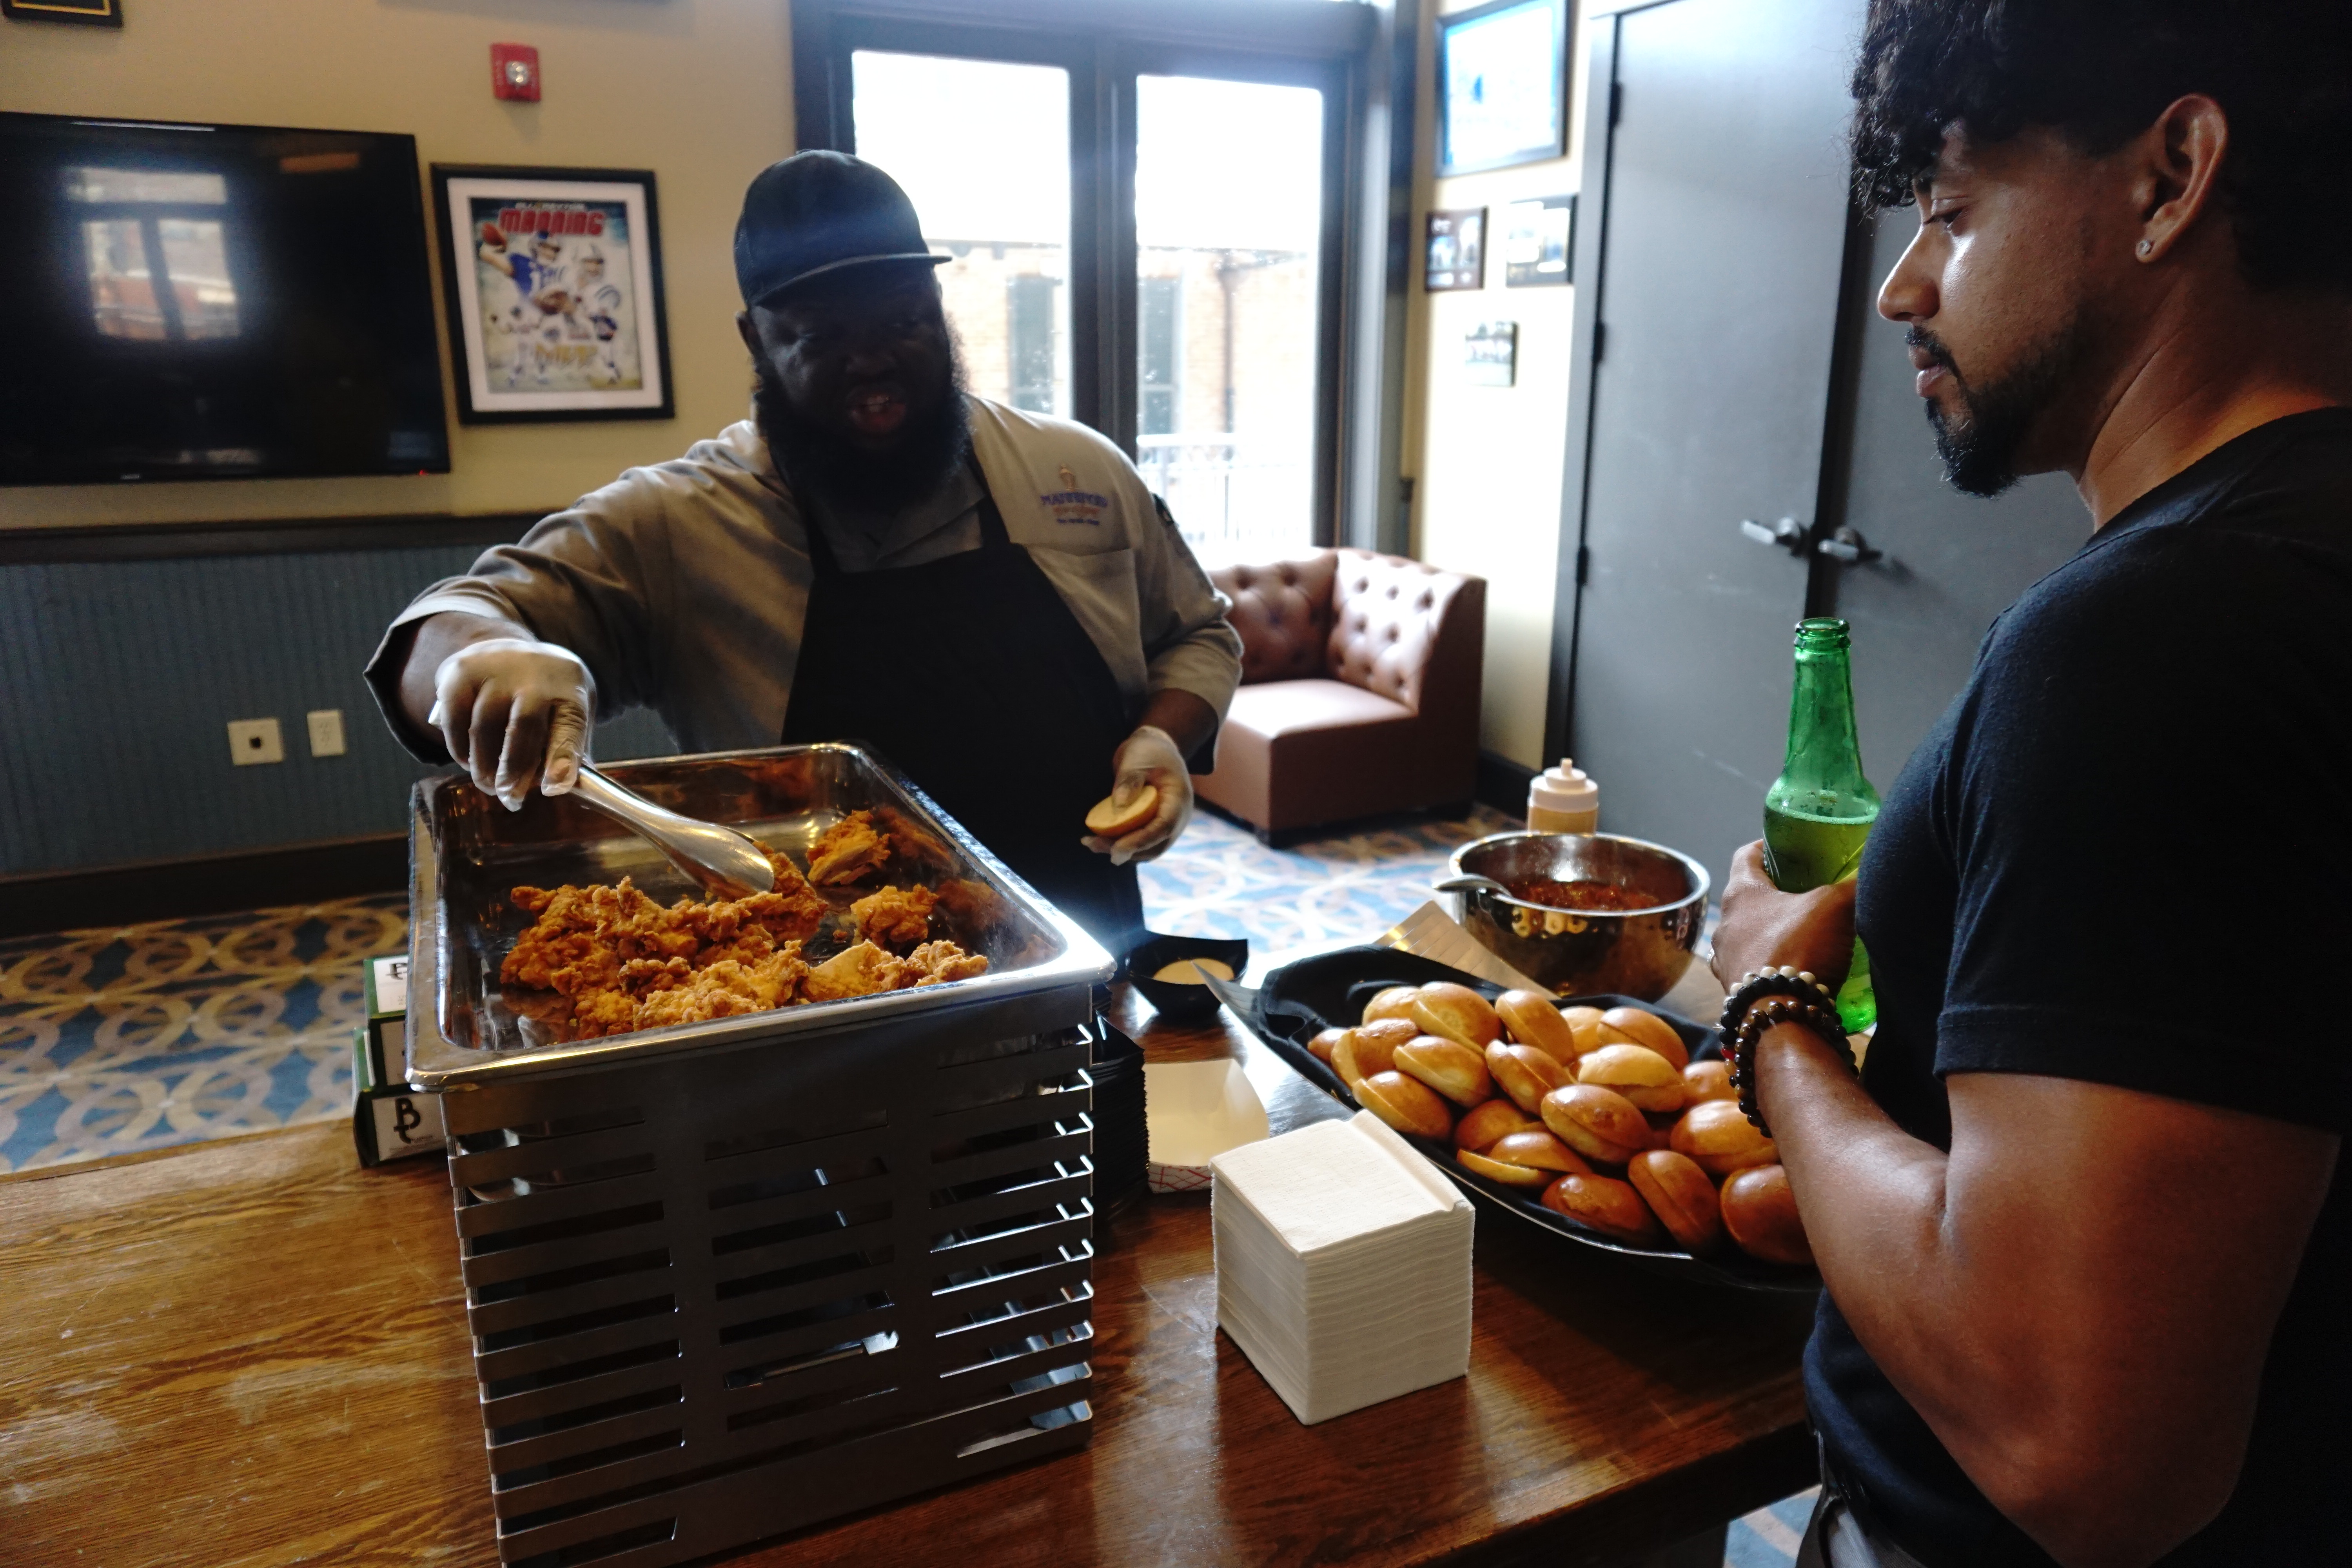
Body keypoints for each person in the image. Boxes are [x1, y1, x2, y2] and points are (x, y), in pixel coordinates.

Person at [1706, 4, 2352, 1565]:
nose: (1902, 286)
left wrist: (1772, 1021)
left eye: (1952, 212)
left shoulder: (2164, 638)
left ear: (2171, 175)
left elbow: (2080, 1442)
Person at [367, 152, 1241, 956]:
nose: (875, 364)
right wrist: (493, 654)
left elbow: (1199, 634)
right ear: (756, 341)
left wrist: (1163, 738)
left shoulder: (1072, 470)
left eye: (904, 320)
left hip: (1083, 943)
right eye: (822, 337)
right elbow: (453, 621)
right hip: (823, 974)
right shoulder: (680, 520)